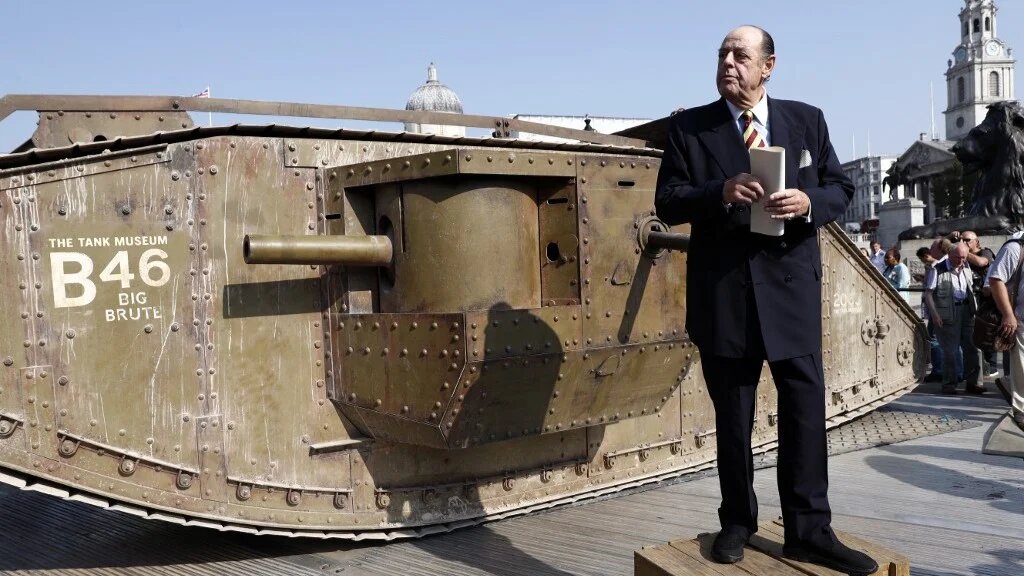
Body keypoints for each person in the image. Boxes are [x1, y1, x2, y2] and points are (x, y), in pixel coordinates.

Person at [654, 25, 877, 575]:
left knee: (805, 415)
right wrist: (720, 191)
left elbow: (840, 188)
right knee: (733, 419)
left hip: (791, 295)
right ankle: (737, 521)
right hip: (725, 297)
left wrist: (807, 201)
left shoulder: (807, 120)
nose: (729, 62)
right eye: (723, 54)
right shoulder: (689, 128)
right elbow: (668, 200)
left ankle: (809, 532)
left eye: (740, 55)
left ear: (768, 66)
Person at [925, 242, 985, 395]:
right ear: (950, 254)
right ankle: (949, 384)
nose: (961, 260)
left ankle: (974, 383)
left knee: (974, 348)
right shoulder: (937, 268)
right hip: (947, 312)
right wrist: (935, 314)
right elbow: (929, 294)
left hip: (967, 311)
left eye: (964, 257)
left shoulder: (966, 266)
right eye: (958, 257)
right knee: (950, 351)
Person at [983, 232, 1024, 429]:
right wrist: (1008, 314)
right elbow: (996, 279)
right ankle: (1021, 409)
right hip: (1021, 318)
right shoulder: (1015, 248)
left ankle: (1010, 387)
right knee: (1021, 366)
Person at [961, 231, 999, 376]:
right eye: (961, 240)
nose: (964, 242)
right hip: (970, 298)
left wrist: (963, 252)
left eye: (967, 240)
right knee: (973, 332)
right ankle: (977, 366)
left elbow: (981, 262)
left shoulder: (985, 252)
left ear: (976, 242)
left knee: (987, 329)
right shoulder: (962, 255)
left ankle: (992, 365)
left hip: (986, 299)